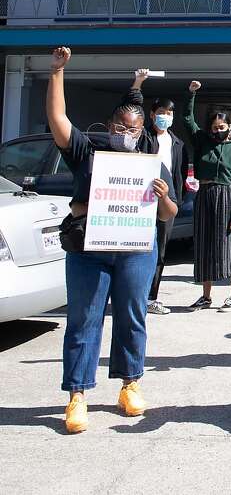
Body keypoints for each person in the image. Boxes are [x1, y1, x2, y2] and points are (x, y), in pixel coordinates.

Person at [46, 47, 179, 433]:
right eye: (120, 127)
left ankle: (130, 384)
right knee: (83, 320)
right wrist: (57, 72)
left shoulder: (151, 163)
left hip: (135, 251)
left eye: (133, 129)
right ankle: (77, 394)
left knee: (132, 317)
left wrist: (163, 197)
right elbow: (58, 119)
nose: (126, 134)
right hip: (90, 251)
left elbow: (168, 213)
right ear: (110, 125)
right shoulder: (88, 153)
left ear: (142, 131)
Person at [125, 68, 191, 315]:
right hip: (140, 200)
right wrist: (138, 83)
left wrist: (177, 201)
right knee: (137, 249)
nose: (165, 117)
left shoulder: (177, 143)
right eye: (161, 112)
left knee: (159, 251)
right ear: (152, 115)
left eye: (169, 113)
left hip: (166, 202)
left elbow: (180, 174)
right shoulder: (143, 137)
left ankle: (151, 297)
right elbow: (131, 108)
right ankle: (133, 295)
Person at [183, 80, 231, 312]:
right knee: (204, 245)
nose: (218, 130)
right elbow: (187, 119)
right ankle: (206, 296)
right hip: (204, 195)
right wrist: (192, 94)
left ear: (229, 127)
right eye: (214, 127)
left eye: (222, 127)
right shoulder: (202, 141)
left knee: (229, 245)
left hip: (226, 197)